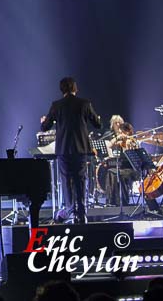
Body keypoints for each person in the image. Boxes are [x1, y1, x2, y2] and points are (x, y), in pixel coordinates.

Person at [41, 77, 101, 224]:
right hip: (80, 148)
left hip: (63, 148)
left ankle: (69, 210)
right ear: (75, 88)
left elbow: (45, 127)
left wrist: (43, 122)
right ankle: (81, 213)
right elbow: (98, 124)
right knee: (80, 179)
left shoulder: (57, 105)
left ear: (62, 89)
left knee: (66, 180)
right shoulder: (84, 103)